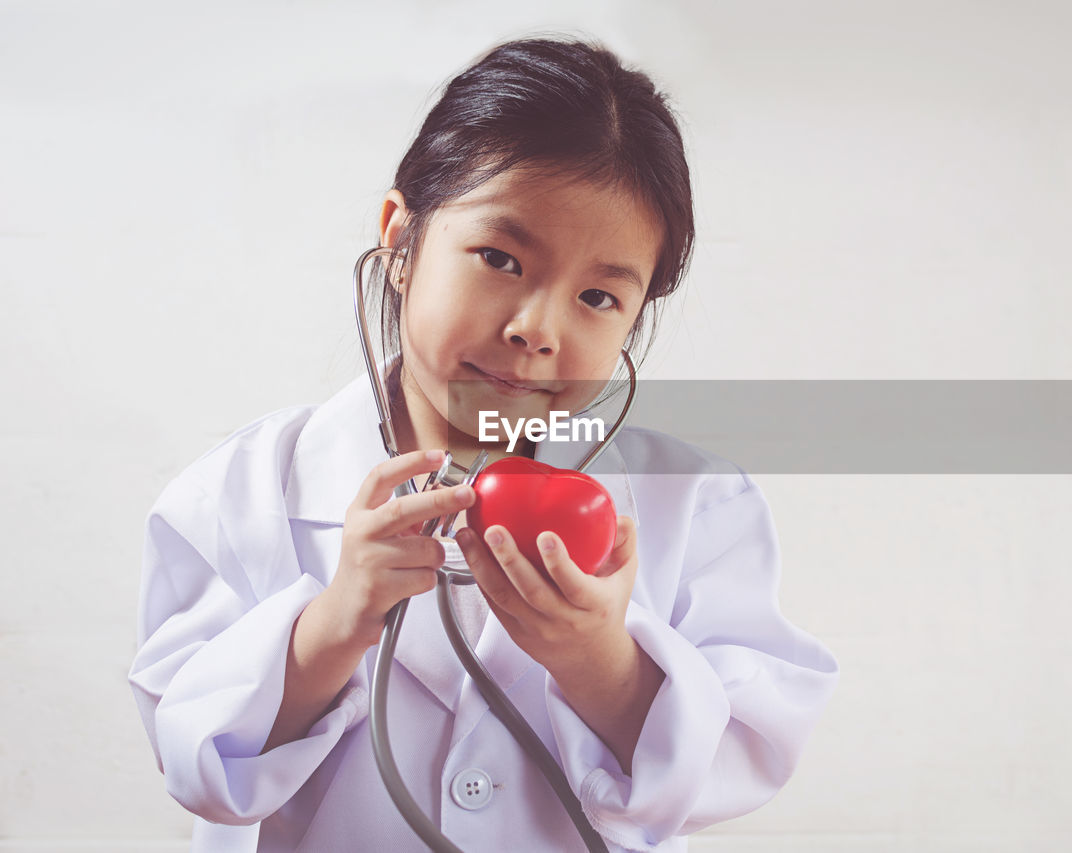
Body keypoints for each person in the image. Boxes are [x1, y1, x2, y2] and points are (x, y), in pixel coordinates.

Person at [128, 36, 839, 852]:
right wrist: (335, 621)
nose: (537, 327)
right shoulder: (241, 493)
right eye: (500, 258)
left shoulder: (697, 505)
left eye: (599, 295)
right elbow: (197, 757)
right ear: (400, 239)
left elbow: (742, 751)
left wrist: (598, 660)